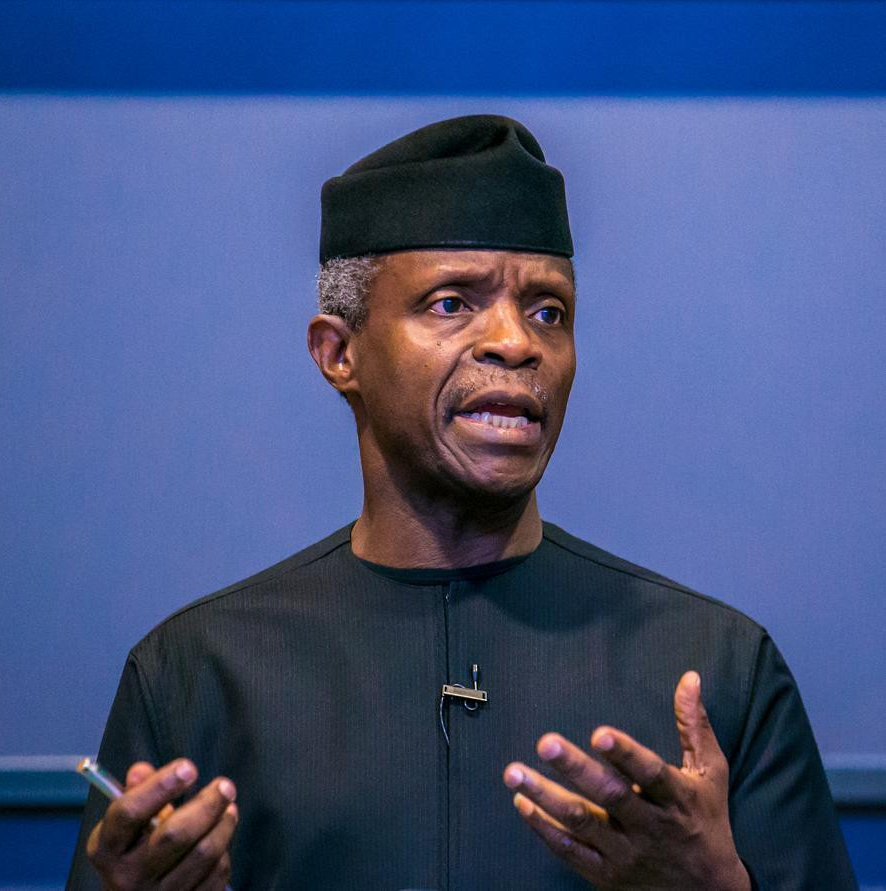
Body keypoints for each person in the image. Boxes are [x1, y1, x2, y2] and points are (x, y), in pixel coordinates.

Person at [68, 115, 856, 890]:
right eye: (450, 303)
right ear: (338, 352)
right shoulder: (195, 674)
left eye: (548, 312)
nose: (515, 342)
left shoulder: (717, 666)